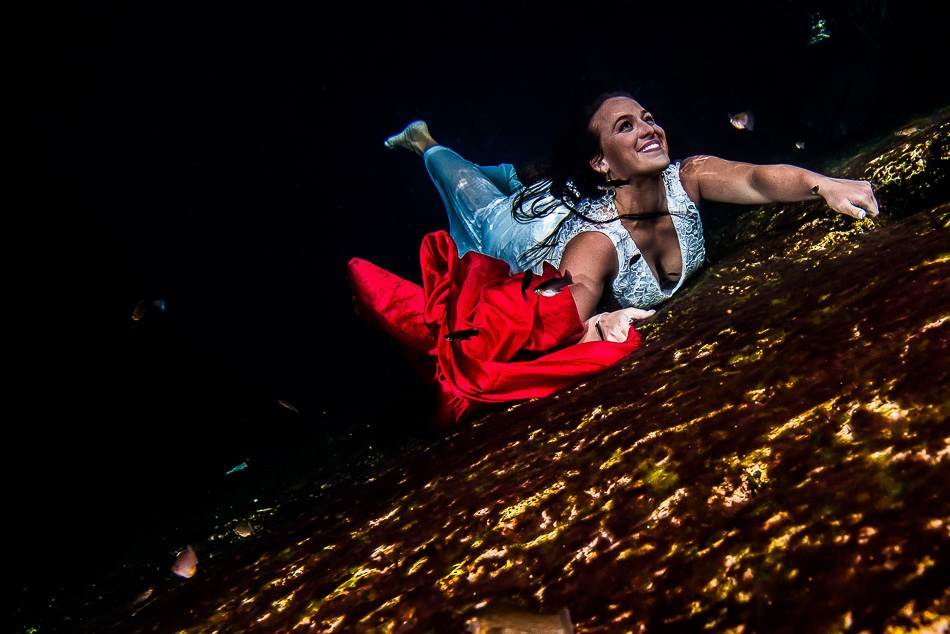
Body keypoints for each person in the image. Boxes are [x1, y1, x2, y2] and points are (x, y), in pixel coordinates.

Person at [383, 91, 880, 344]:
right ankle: (426, 143)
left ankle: (516, 176)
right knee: (480, 202)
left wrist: (823, 184)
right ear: (601, 160)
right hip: (528, 238)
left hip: (581, 192)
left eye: (648, 118)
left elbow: (758, 180)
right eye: (626, 126)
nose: (650, 128)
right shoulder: (594, 246)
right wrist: (602, 322)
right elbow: (565, 322)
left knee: (528, 182)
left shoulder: (690, 176)